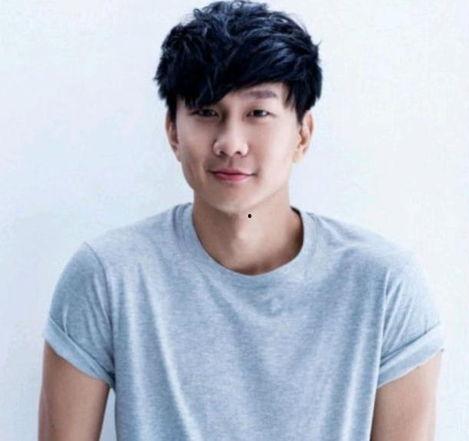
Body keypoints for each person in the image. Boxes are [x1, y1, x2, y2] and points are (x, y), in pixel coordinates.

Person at [38, 1, 445, 440]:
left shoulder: (385, 287)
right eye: (206, 112)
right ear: (173, 132)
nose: (231, 143)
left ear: (303, 134)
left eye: (258, 113)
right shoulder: (108, 276)